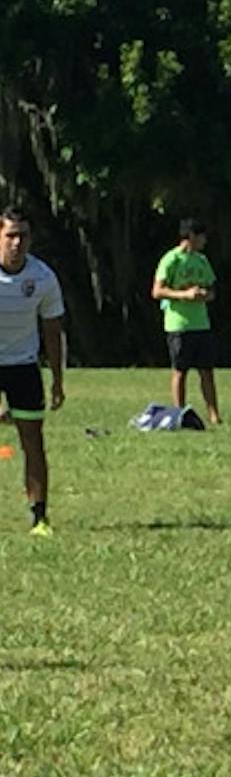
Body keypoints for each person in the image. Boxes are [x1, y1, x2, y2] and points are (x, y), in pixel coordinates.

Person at [0, 205, 65, 536]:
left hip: (23, 367)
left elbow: (52, 330)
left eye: (22, 236)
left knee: (33, 441)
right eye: (10, 235)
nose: (16, 243)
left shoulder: (42, 277)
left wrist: (57, 380)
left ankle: (39, 517)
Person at [152, 217, 222, 424]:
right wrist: (184, 296)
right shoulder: (171, 259)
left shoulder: (202, 261)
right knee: (180, 371)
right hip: (178, 324)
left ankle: (214, 414)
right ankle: (179, 414)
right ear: (191, 236)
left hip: (201, 323)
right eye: (201, 236)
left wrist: (204, 295)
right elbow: (157, 290)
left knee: (207, 371)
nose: (205, 241)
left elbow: (212, 290)